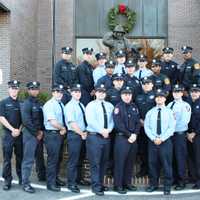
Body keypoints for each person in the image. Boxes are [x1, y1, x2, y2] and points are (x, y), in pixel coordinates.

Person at [144, 89, 176, 195]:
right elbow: (146, 127)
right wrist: (154, 138)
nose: (159, 99)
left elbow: (171, 127)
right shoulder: (150, 112)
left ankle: (167, 186)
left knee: (167, 164)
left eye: (161, 97)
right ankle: (153, 185)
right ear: (155, 99)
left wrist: (162, 138)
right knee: (152, 164)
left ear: (165, 99)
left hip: (165, 141)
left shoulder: (170, 112)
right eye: (157, 97)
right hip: (152, 142)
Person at [85, 84, 114, 196]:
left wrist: (109, 130)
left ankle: (100, 183)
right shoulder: (90, 105)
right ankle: (95, 186)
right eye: (99, 91)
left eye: (103, 91)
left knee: (103, 162)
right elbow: (90, 121)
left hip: (106, 136)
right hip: (94, 136)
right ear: (95, 93)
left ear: (105, 94)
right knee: (95, 163)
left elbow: (112, 120)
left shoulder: (110, 106)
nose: (101, 93)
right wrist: (102, 130)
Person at [113, 86, 140, 194]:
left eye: (129, 94)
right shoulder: (118, 107)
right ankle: (118, 185)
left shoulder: (134, 107)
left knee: (130, 162)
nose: (127, 96)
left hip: (133, 139)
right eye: (125, 94)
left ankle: (127, 183)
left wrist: (135, 134)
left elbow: (138, 122)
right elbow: (118, 124)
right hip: (122, 138)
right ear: (121, 96)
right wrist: (129, 134)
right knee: (120, 162)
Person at [43, 84, 67, 192]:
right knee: (52, 160)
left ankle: (55, 179)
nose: (59, 94)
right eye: (57, 92)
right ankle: (50, 183)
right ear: (53, 93)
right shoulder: (49, 104)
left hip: (59, 134)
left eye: (61, 92)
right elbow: (52, 121)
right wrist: (62, 128)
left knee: (58, 159)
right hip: (52, 134)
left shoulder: (60, 104)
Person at [21, 81, 44, 193]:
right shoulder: (26, 103)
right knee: (28, 160)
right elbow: (26, 122)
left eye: (36, 89)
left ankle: (41, 176)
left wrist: (41, 132)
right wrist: (37, 133)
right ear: (28, 90)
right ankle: (25, 183)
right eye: (32, 89)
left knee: (39, 157)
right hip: (30, 135)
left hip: (39, 134)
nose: (34, 90)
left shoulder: (39, 103)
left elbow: (41, 119)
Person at [167, 84, 191, 190]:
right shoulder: (169, 105)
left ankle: (181, 181)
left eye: (178, 91)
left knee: (180, 158)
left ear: (182, 93)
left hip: (179, 135)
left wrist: (171, 130)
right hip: (170, 136)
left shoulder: (185, 105)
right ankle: (174, 179)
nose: (176, 93)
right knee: (172, 158)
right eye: (174, 92)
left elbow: (184, 122)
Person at [64, 84, 87, 193]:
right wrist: (82, 133)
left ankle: (78, 179)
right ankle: (71, 183)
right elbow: (72, 123)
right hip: (75, 135)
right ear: (71, 93)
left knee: (80, 159)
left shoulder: (81, 105)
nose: (78, 93)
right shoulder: (69, 106)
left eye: (79, 92)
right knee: (73, 160)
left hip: (82, 135)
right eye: (75, 92)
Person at [0, 80, 22, 190]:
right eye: (12, 88)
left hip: (19, 135)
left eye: (16, 88)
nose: (14, 90)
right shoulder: (3, 102)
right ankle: (7, 180)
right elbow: (1, 118)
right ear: (9, 89)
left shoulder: (21, 103)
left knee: (20, 158)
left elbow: (24, 120)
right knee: (7, 159)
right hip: (8, 135)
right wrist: (13, 129)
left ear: (18, 90)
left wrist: (19, 130)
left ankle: (22, 178)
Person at [135, 77, 156, 177]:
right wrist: (139, 119)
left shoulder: (157, 96)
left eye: (148, 83)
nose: (146, 85)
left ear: (152, 85)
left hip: (153, 128)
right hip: (142, 127)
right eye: (144, 84)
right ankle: (144, 169)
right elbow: (135, 109)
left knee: (153, 149)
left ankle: (153, 171)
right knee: (142, 149)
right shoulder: (138, 96)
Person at [187, 84, 200, 189]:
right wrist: (188, 133)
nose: (194, 93)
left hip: (197, 134)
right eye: (192, 91)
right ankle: (193, 177)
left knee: (198, 157)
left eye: (196, 91)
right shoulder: (187, 103)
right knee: (190, 157)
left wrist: (194, 133)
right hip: (188, 134)